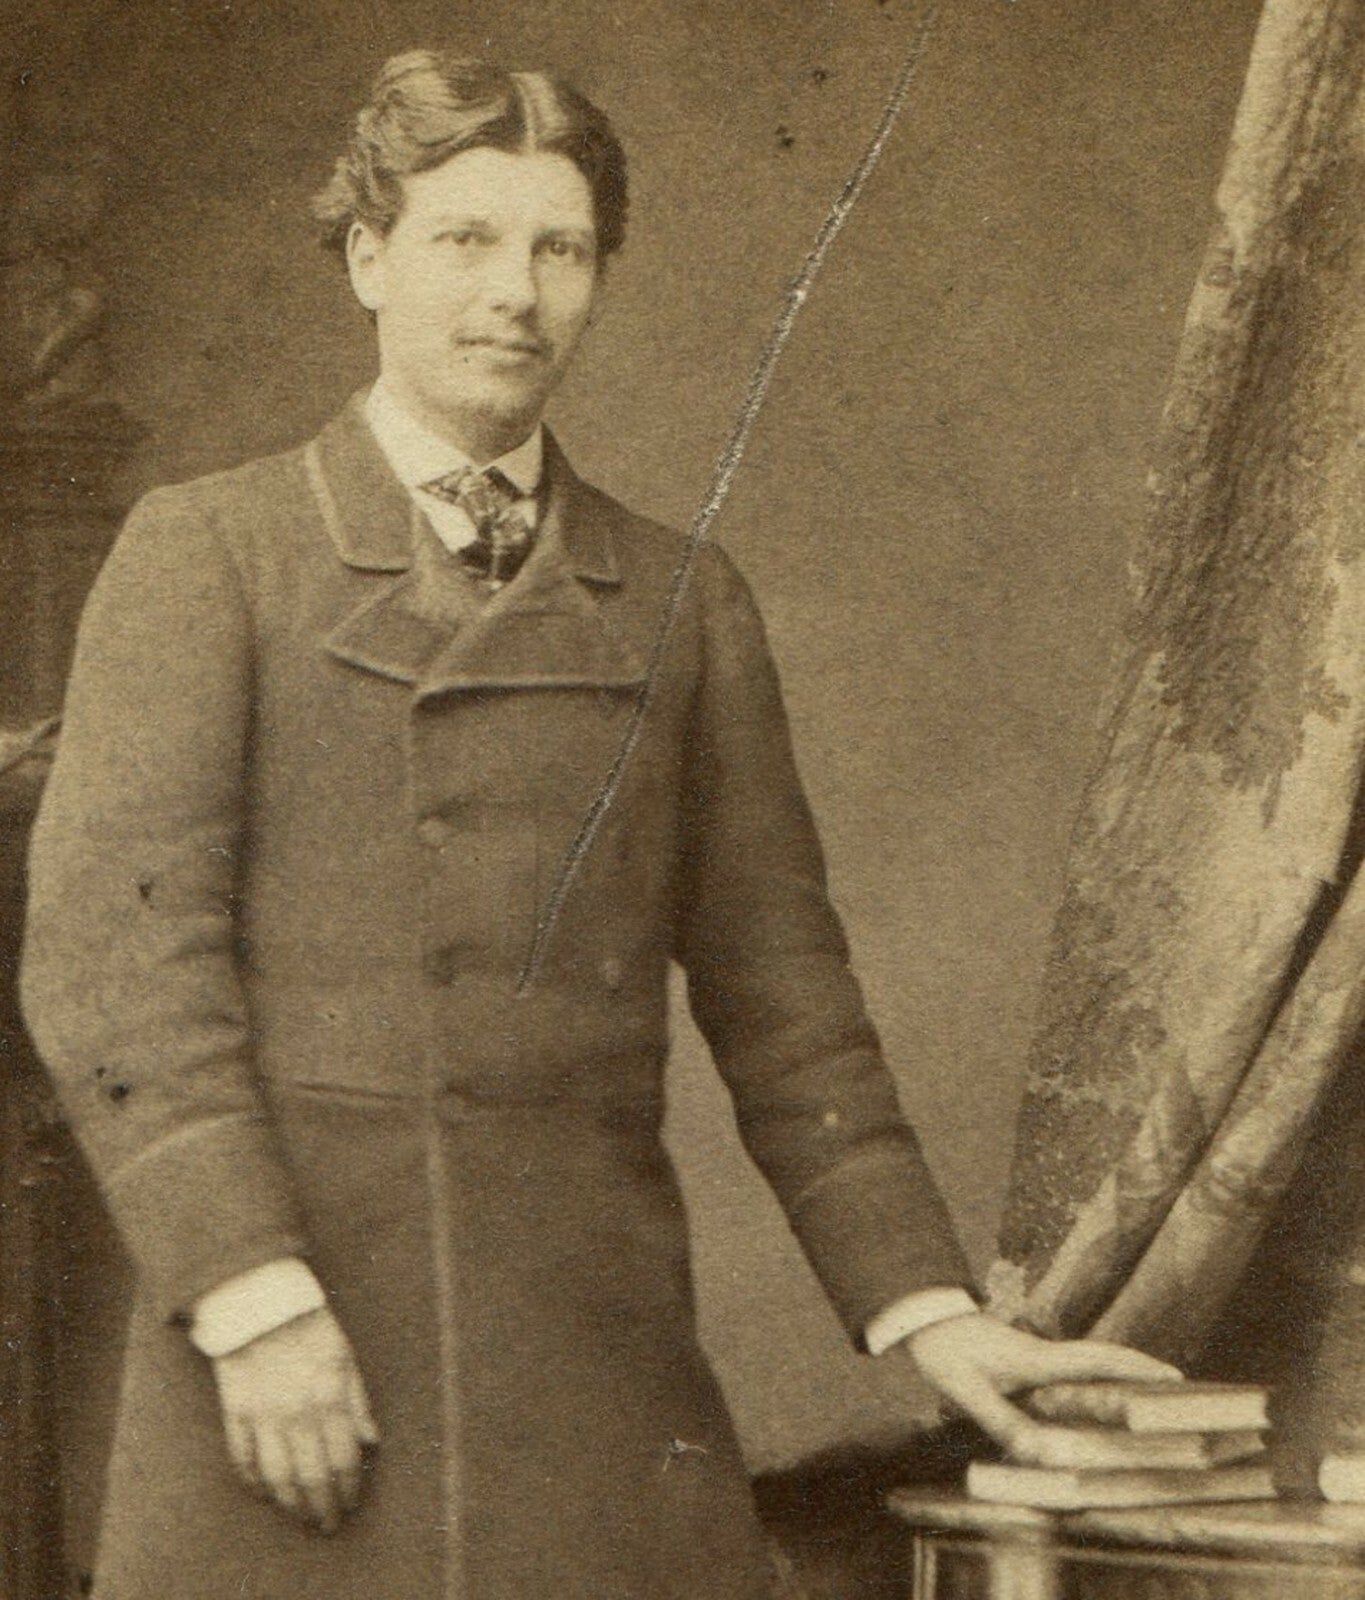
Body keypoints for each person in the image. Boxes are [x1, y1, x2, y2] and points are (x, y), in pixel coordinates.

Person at [19, 50, 1175, 1600]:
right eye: (465, 240)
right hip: (297, 1370)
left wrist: (923, 1308)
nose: (516, 292)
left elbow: (791, 1010)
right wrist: (248, 1296)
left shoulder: (684, 604)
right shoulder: (211, 557)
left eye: (559, 248)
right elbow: (114, 971)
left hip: (589, 1367)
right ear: (368, 260)